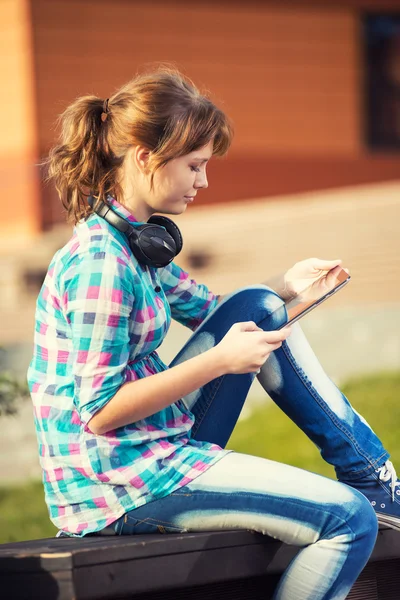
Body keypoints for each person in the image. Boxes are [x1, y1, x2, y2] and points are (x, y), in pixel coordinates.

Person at [27, 67, 399, 600]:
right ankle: (372, 488)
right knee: (349, 521)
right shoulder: (100, 264)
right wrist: (219, 362)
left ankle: (372, 474)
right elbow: (99, 411)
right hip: (117, 486)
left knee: (260, 305)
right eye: (195, 166)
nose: (203, 182)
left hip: (149, 452)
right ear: (145, 157)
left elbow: (219, 310)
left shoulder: (137, 245)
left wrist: (287, 287)